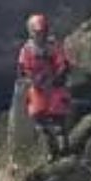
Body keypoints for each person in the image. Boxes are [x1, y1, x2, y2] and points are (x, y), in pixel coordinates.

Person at [17, 14, 74, 157]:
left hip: (54, 86)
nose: (40, 35)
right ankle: (51, 151)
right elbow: (23, 69)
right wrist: (33, 79)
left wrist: (57, 77)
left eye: (42, 31)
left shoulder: (53, 46)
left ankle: (64, 150)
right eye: (37, 32)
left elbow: (62, 63)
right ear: (31, 32)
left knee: (58, 119)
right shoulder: (27, 50)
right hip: (37, 89)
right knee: (40, 120)